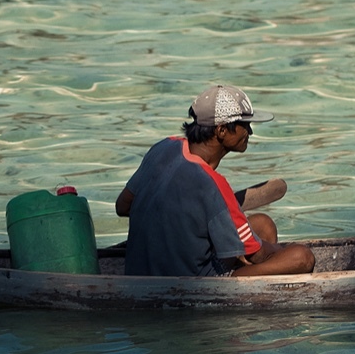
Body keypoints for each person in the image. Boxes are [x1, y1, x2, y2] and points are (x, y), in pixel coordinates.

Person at [114, 85, 315, 278]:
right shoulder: (213, 184)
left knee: (263, 224)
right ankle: (239, 282)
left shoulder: (163, 147)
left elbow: (122, 206)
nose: (250, 132)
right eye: (245, 125)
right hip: (191, 282)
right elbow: (258, 254)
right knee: (302, 257)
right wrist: (281, 250)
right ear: (221, 131)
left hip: (138, 270)